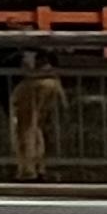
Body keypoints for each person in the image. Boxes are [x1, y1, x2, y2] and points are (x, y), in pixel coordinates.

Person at [9, 50, 69, 181]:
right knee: (39, 126)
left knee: (27, 126)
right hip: (48, 77)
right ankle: (40, 166)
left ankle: (28, 169)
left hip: (33, 79)